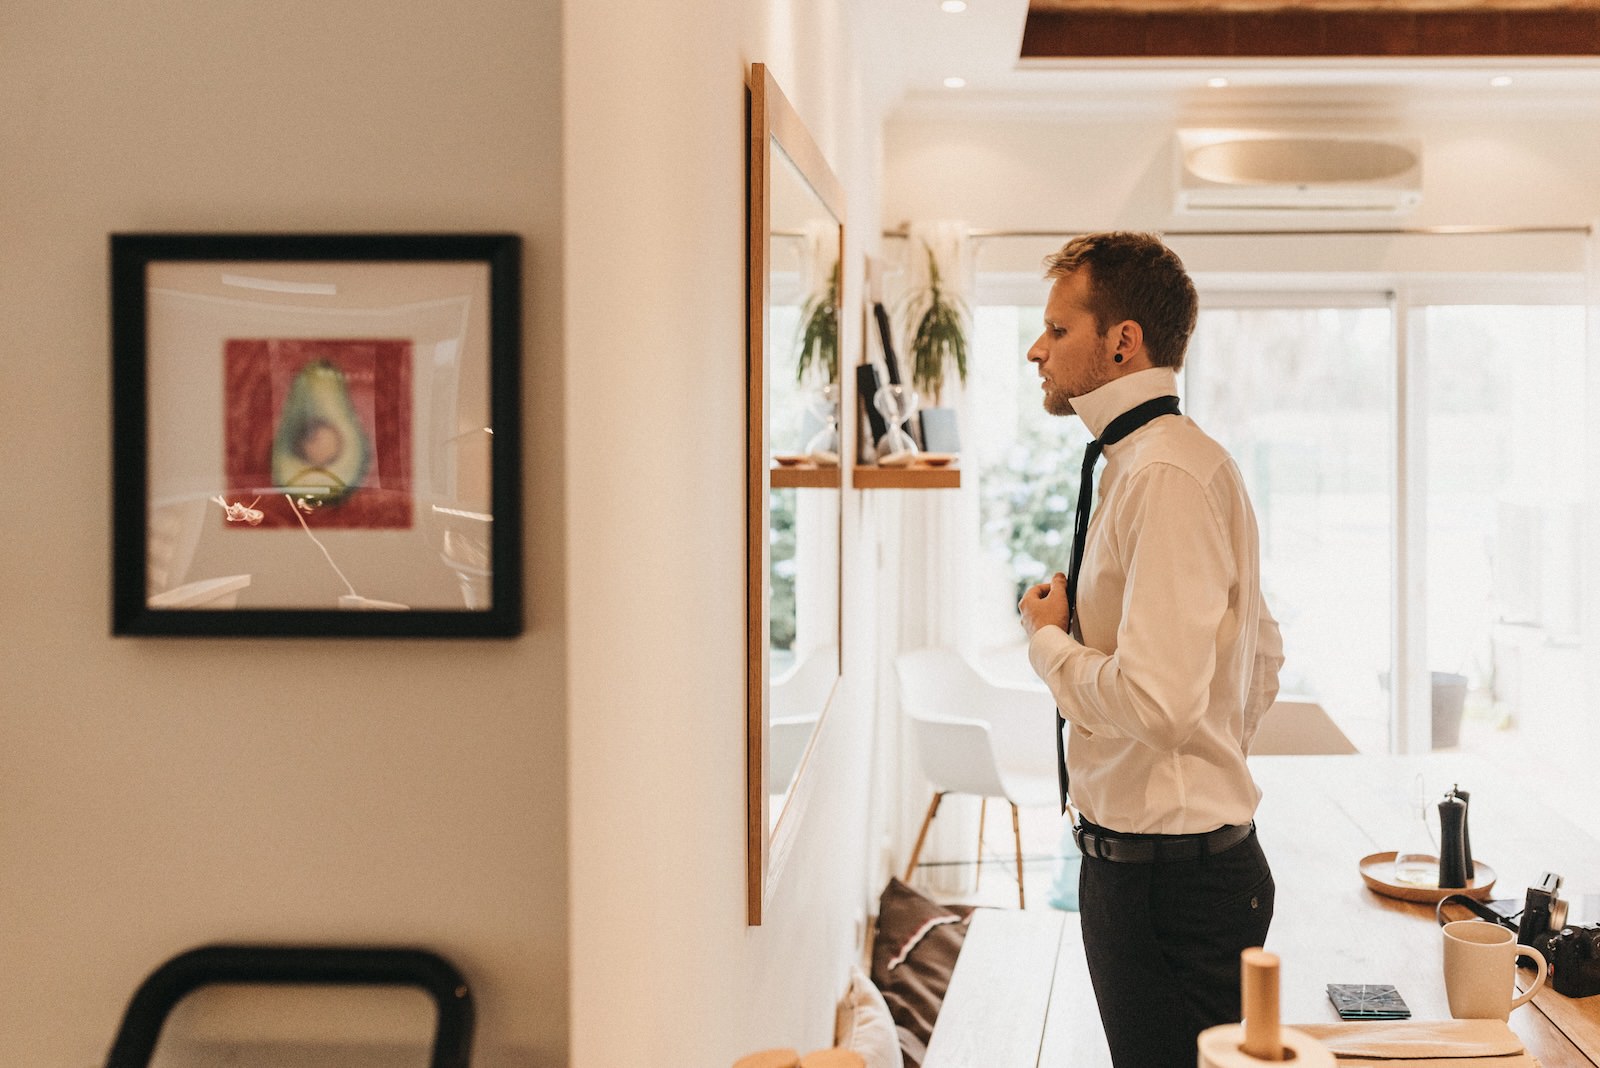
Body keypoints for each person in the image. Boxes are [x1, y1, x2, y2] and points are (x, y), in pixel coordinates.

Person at [1015, 231, 1285, 1067]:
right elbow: (1262, 658)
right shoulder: (1147, 465)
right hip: (1159, 873)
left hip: (1170, 889)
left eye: (1058, 330)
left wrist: (1051, 644)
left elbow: (1161, 705)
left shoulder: (1163, 476)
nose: (1037, 348)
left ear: (1122, 340)